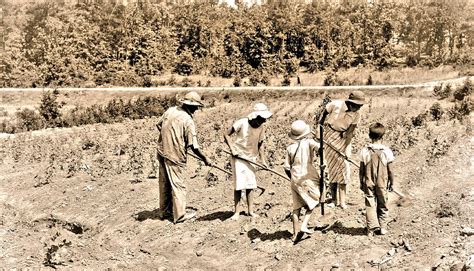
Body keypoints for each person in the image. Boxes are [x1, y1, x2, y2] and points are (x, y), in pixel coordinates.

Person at [156, 91, 211, 223]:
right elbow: (194, 146)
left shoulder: (171, 110)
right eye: (196, 106)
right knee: (178, 184)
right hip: (175, 154)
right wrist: (205, 158)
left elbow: (159, 125)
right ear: (190, 105)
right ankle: (180, 216)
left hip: (162, 150)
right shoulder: (188, 120)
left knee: (165, 183)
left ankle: (164, 212)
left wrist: (169, 137)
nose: (197, 109)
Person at [224, 103, 272, 220]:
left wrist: (263, 160)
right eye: (261, 119)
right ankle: (237, 212)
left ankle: (250, 211)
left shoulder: (261, 128)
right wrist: (232, 149)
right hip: (239, 156)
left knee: (251, 184)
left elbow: (260, 144)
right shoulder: (242, 123)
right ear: (255, 116)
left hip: (251, 157)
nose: (263, 121)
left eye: (264, 119)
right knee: (239, 185)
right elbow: (226, 134)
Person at [319, 91, 366, 209]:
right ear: (350, 103)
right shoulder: (336, 105)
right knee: (332, 169)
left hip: (343, 138)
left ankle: (342, 201)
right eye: (356, 105)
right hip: (329, 135)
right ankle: (334, 200)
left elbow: (350, 132)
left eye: (360, 106)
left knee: (344, 169)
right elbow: (324, 113)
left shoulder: (357, 115)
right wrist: (319, 127)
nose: (358, 108)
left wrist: (346, 150)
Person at [283, 120, 321, 242]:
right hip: (307, 175)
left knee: (296, 206)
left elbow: (286, 167)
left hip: (294, 177)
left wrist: (292, 178)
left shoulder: (290, 148)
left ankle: (295, 233)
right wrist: (318, 138)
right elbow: (321, 148)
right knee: (315, 199)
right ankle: (304, 224)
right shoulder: (309, 143)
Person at [359, 122, 395, 236]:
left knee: (370, 203)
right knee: (383, 203)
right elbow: (390, 170)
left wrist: (361, 182)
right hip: (382, 182)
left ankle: (371, 229)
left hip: (368, 180)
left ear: (369, 136)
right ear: (383, 137)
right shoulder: (386, 151)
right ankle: (383, 227)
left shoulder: (365, 150)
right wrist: (392, 183)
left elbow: (361, 170)